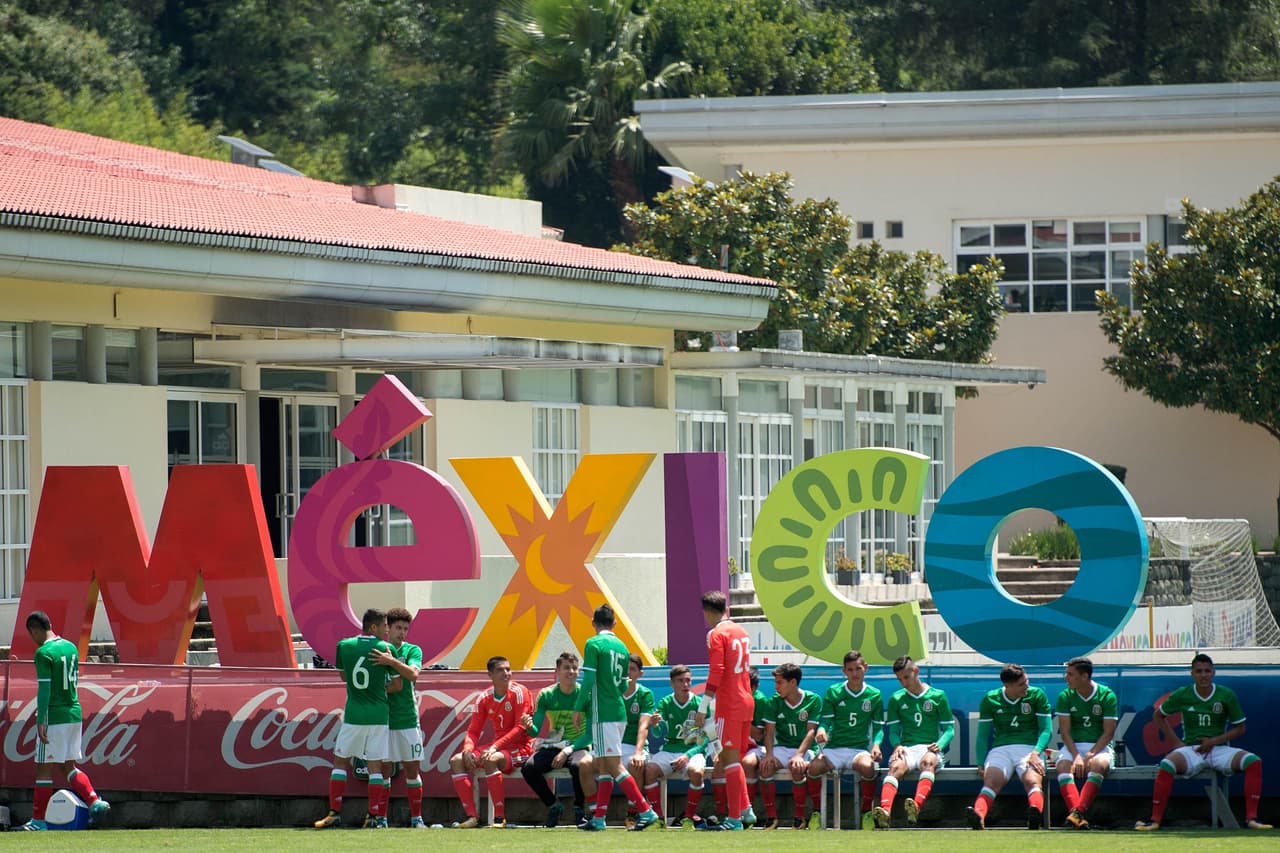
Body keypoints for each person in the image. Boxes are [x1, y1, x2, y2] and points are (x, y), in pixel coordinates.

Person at [1136, 652, 1271, 831]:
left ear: (1213, 673)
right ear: (1192, 674)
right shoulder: (1183, 694)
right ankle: (1155, 821)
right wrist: (1176, 742)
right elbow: (1158, 716)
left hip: (1218, 749)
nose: (1203, 675)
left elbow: (1240, 728)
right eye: (1198, 671)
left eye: (1207, 671)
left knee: (1253, 761)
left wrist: (1214, 740)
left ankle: (1252, 819)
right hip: (1192, 749)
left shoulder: (1226, 694)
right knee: (1167, 765)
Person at [16, 611, 111, 832]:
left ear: (35, 630)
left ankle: (38, 822)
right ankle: (94, 801)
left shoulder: (43, 653)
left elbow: (45, 688)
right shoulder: (71, 647)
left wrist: (40, 720)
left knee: (43, 769)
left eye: (32, 634)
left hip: (54, 716)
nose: (33, 639)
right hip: (74, 713)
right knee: (68, 766)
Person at [573, 604, 660, 831]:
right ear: (614, 624)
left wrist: (578, 706)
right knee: (603, 765)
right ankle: (599, 819)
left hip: (604, 713)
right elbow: (623, 684)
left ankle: (645, 810)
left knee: (614, 766)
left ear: (593, 623)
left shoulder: (593, 644)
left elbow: (589, 680)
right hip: (618, 710)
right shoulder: (622, 646)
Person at [314, 608, 396, 829]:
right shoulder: (385, 649)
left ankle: (334, 813)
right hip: (379, 715)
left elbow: (343, 676)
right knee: (375, 767)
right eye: (384, 626)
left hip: (354, 714)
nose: (386, 631)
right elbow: (395, 684)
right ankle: (373, 816)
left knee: (340, 762)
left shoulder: (344, 646)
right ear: (373, 627)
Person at [448, 655, 534, 828]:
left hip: (521, 748)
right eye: (500, 670)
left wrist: (494, 747)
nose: (506, 673)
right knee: (457, 761)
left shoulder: (519, 692)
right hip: (498, 748)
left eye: (508, 669)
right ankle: (472, 817)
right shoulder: (484, 698)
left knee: (490, 759)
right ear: (490, 675)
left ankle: (499, 819)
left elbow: (520, 728)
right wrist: (467, 750)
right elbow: (473, 730)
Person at [966, 663, 1052, 830]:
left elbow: (1046, 730)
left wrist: (1036, 752)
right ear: (1007, 685)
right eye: (1021, 684)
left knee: (1032, 780)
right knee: (991, 781)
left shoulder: (1037, 695)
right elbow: (982, 736)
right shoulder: (991, 699)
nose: (1026, 685)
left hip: (1030, 748)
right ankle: (979, 816)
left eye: (1026, 681)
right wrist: (980, 762)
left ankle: (1035, 814)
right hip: (1001, 749)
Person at [697, 589, 756, 831]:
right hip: (746, 701)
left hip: (729, 704)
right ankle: (747, 811)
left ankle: (734, 819)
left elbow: (717, 671)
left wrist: (703, 706)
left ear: (708, 612)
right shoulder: (741, 631)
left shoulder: (715, 633)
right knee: (736, 760)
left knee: (729, 761)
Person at [809, 650, 884, 828]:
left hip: (858, 750)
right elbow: (825, 722)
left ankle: (867, 812)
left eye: (858, 668)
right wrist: (821, 730)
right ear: (844, 671)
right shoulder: (834, 692)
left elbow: (879, 727)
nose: (855, 673)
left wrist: (876, 745)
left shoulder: (874, 695)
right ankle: (817, 812)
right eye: (850, 670)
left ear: (866, 668)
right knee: (814, 767)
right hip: (833, 749)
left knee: (868, 767)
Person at [877, 655, 955, 827]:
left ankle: (916, 806)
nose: (903, 682)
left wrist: (940, 745)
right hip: (908, 748)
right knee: (895, 767)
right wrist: (897, 745)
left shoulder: (938, 696)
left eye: (906, 677)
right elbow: (893, 731)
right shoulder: (896, 699)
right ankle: (885, 812)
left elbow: (949, 730)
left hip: (929, 747)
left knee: (928, 762)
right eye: (899, 679)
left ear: (916, 671)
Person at [367, 607, 426, 828]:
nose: (402, 632)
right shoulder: (377, 650)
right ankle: (381, 819)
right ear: (387, 629)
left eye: (405, 629)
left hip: (407, 719)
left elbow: (413, 674)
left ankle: (416, 818)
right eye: (398, 628)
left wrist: (391, 662)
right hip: (382, 719)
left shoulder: (413, 650)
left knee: (412, 769)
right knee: (384, 769)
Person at [520, 652, 593, 827]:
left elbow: (589, 735)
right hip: (554, 744)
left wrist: (568, 750)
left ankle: (579, 809)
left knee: (578, 766)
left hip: (578, 745)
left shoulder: (587, 694)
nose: (572, 671)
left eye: (575, 668)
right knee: (529, 768)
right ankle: (554, 805)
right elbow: (535, 731)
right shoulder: (546, 695)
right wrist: (528, 725)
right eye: (567, 668)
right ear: (557, 671)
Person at [753, 663, 822, 830]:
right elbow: (769, 733)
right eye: (775, 682)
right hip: (782, 747)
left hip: (806, 749)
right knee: (765, 767)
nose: (776, 687)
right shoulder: (774, 702)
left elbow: (811, 732)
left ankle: (800, 817)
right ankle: (771, 818)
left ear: (793, 683)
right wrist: (769, 754)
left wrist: (799, 755)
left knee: (796, 767)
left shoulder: (813, 700)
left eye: (779, 683)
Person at [1054, 656, 1117, 830]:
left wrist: (1090, 754)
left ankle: (1077, 812)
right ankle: (1078, 817)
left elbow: (1108, 732)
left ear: (1084, 676)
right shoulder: (1065, 696)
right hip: (1073, 746)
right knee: (1062, 767)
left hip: (1099, 746)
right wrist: (1076, 756)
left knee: (1098, 765)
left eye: (1070, 674)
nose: (1066, 678)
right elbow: (1065, 732)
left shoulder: (1106, 695)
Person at [644, 665, 710, 828]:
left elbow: (706, 739)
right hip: (670, 749)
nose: (685, 684)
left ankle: (688, 818)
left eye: (688, 680)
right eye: (680, 681)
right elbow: (659, 734)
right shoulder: (665, 702)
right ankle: (658, 819)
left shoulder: (700, 704)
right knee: (650, 770)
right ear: (672, 683)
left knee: (696, 772)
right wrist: (655, 725)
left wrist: (688, 755)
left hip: (693, 750)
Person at [622, 654, 658, 826]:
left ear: (640, 674)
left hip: (635, 745)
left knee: (636, 763)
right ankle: (593, 813)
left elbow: (643, 726)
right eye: (625, 668)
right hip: (614, 745)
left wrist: (638, 752)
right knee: (588, 763)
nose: (628, 672)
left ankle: (633, 811)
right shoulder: (612, 692)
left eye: (632, 669)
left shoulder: (645, 694)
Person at [738, 665, 773, 827]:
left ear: (755, 686)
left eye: (747, 687)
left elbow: (759, 734)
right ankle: (725, 814)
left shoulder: (760, 700)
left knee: (747, 763)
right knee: (720, 764)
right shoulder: (733, 697)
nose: (742, 690)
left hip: (758, 747)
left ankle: (747, 812)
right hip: (736, 744)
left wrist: (740, 716)